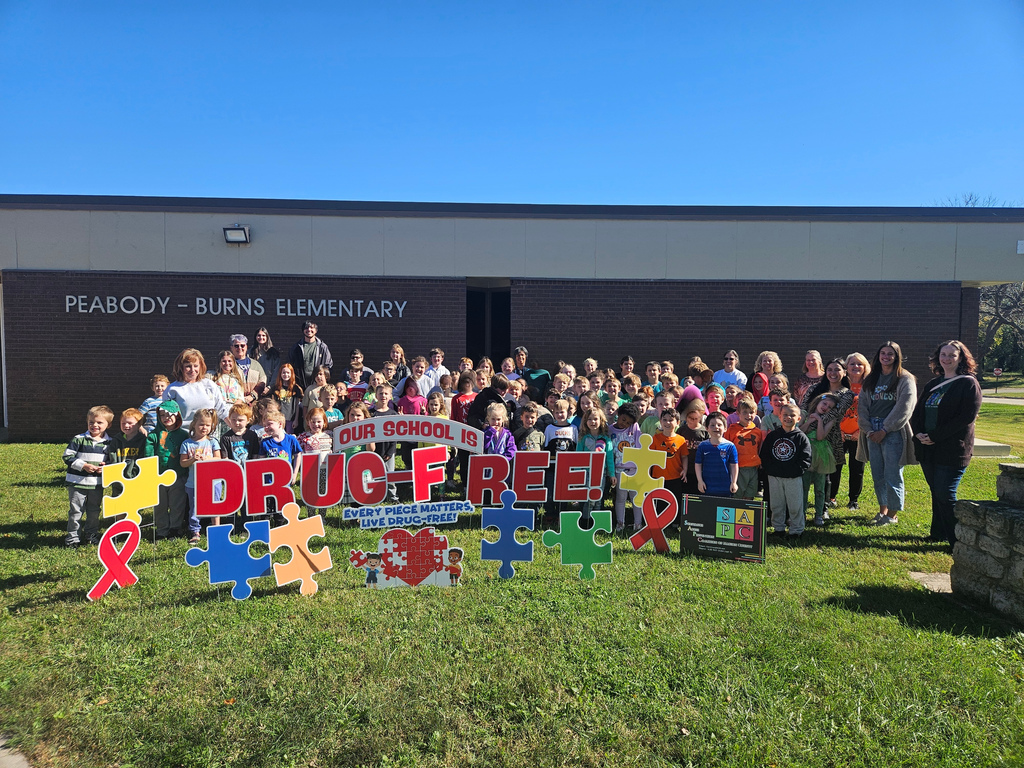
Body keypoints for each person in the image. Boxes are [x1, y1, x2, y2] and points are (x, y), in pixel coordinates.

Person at [911, 340, 983, 549]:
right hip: (928, 447)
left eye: (952, 355)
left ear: (961, 358)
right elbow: (918, 412)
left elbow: (966, 417)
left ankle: (956, 541)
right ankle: (938, 534)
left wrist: (935, 435)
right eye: (943, 354)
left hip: (952, 449)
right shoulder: (933, 384)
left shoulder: (968, 383)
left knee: (945, 492)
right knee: (936, 491)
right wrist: (920, 434)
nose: (947, 359)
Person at [858, 341, 917, 527]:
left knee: (893, 473)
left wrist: (885, 429)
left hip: (893, 430)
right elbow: (862, 406)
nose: (886, 356)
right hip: (871, 429)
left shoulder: (904, 378)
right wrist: (868, 429)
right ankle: (882, 510)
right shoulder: (871, 379)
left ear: (897, 356)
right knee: (878, 473)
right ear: (878, 356)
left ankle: (892, 515)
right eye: (883, 353)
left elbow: (905, 407)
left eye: (890, 353)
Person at [63, 405, 114, 547]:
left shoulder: (110, 443)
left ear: (108, 425)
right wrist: (83, 465)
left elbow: (112, 461)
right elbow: (67, 457)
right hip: (77, 483)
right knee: (75, 511)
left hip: (96, 484)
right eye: (91, 422)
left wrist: (106, 467)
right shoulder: (79, 439)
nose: (95, 425)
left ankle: (91, 535)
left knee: (94, 511)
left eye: (99, 422)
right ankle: (73, 538)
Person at [760, 403, 813, 539]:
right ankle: (778, 528)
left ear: (799, 419)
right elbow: (765, 454)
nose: (788, 417)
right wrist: (770, 469)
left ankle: (796, 530)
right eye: (785, 415)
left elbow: (806, 458)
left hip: (793, 477)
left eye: (792, 415)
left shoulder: (801, 437)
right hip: (775, 476)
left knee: (795, 505)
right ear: (779, 416)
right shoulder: (773, 436)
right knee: (777, 504)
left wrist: (796, 471)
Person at [144, 401, 189, 540]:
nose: (166, 418)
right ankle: (162, 530)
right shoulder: (153, 435)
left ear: (177, 416)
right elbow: (148, 455)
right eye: (162, 415)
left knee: (177, 504)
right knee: (160, 505)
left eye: (169, 415)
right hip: (158, 476)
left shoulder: (183, 435)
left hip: (177, 475)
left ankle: (175, 528)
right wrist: (151, 474)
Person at [179, 408, 222, 541]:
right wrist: (192, 460)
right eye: (201, 424)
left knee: (214, 505)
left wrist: (206, 459)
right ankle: (195, 532)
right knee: (194, 508)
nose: (204, 428)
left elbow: (218, 459)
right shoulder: (187, 443)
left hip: (212, 482)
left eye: (208, 425)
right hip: (194, 482)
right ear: (194, 425)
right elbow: (183, 463)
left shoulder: (212, 442)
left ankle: (216, 529)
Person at [163, 348, 230, 431]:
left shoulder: (209, 385)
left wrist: (236, 428)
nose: (192, 370)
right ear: (181, 367)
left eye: (195, 366)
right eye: (188, 366)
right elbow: (166, 417)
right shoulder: (172, 390)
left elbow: (222, 409)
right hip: (183, 436)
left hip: (208, 436)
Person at [838, 353, 870, 510]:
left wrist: (862, 431)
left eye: (859, 364)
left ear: (865, 367)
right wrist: (838, 430)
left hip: (860, 433)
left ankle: (853, 500)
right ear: (846, 367)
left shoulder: (870, 386)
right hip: (839, 433)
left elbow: (872, 411)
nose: (856, 367)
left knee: (857, 468)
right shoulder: (840, 384)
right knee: (835, 466)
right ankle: (831, 497)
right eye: (852, 364)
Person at [802, 394, 839, 527]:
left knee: (820, 487)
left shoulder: (830, 419)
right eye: (824, 404)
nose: (825, 408)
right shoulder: (805, 414)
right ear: (818, 402)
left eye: (829, 407)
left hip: (821, 453)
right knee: (804, 486)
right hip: (806, 453)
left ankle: (819, 514)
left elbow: (820, 436)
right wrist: (810, 421)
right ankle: (802, 513)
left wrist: (818, 421)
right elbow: (800, 431)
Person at [575, 407, 616, 525]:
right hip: (586, 473)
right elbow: (578, 457)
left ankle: (596, 522)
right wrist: (578, 473)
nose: (593, 422)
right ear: (585, 422)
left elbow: (609, 459)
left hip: (600, 474)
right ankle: (585, 520)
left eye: (595, 419)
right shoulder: (583, 438)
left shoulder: (606, 440)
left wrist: (611, 474)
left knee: (598, 497)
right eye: (589, 419)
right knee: (588, 498)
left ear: (601, 421)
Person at [725, 397, 762, 500]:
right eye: (745, 412)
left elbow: (758, 448)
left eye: (751, 412)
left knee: (750, 494)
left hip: (753, 467)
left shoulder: (757, 431)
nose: (748, 415)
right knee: (738, 495)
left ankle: (746, 514)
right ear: (738, 413)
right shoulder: (732, 430)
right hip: (738, 467)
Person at [695, 411, 739, 497]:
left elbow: (734, 465)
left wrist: (734, 482)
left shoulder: (730, 446)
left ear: (725, 428)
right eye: (712, 425)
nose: (716, 427)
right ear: (707, 428)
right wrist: (700, 481)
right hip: (707, 487)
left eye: (719, 425)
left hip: (725, 487)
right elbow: (698, 464)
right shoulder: (703, 446)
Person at [651, 407, 687, 504]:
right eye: (665, 420)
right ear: (660, 421)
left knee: (673, 502)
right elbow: (650, 456)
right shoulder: (655, 438)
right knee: (658, 502)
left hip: (675, 476)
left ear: (677, 422)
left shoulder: (681, 440)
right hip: (658, 477)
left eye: (671, 420)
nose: (667, 423)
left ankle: (674, 520)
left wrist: (685, 470)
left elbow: (684, 456)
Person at [288, 319, 333, 390]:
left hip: (318, 385)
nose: (309, 330)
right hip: (300, 385)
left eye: (312, 327)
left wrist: (323, 381)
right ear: (303, 330)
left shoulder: (322, 347)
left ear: (316, 330)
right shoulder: (296, 347)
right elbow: (290, 365)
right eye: (306, 328)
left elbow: (328, 366)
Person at [229, 334, 267, 404]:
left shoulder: (256, 365)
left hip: (254, 405)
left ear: (246, 347)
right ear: (231, 348)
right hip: (235, 404)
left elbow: (262, 381)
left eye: (242, 345)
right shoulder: (229, 365)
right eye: (236, 346)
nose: (240, 348)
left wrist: (252, 396)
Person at [271, 363, 304, 434]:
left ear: (291, 374)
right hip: (279, 418)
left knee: (288, 437)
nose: (286, 375)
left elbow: (297, 405)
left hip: (290, 418)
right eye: (284, 373)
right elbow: (273, 404)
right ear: (280, 374)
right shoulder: (276, 388)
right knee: (279, 434)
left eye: (288, 373)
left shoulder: (295, 388)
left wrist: (296, 420)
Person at [253, 327, 281, 392]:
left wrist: (269, 387)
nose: (261, 337)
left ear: (267, 337)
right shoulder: (250, 353)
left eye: (263, 335)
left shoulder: (274, 353)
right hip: (254, 390)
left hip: (270, 390)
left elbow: (276, 372)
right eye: (259, 335)